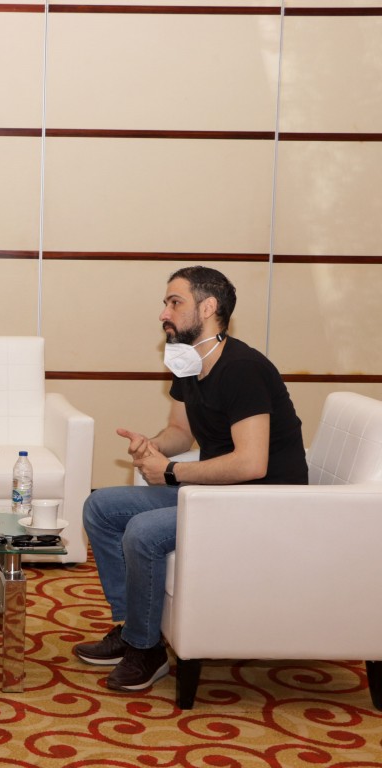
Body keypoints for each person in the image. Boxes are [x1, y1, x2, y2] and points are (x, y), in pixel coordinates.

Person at [73, 266, 308, 692]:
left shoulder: (243, 368)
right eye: (165, 303)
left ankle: (146, 649)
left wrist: (170, 471)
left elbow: (252, 463)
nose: (163, 313)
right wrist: (152, 446)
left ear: (208, 307)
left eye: (174, 302)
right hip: (217, 494)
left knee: (143, 531)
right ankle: (131, 629)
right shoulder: (188, 363)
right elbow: (180, 433)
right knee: (100, 507)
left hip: (262, 502)